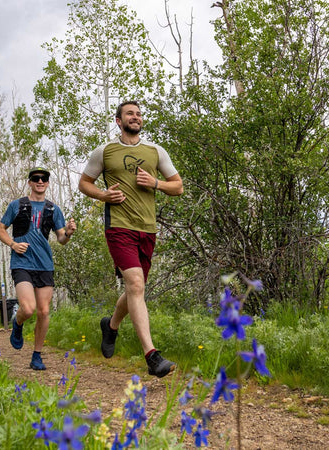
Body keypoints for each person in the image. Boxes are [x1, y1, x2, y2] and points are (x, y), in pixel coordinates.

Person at [78, 100, 183, 378]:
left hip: (147, 230)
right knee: (135, 283)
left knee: (135, 290)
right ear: (118, 120)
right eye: (129, 114)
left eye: (138, 114)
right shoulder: (105, 151)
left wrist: (157, 183)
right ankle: (152, 356)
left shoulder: (155, 151)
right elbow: (84, 183)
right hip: (119, 227)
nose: (135, 117)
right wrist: (103, 195)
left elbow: (178, 186)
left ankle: (110, 325)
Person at [0, 167, 77, 370]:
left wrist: (68, 232)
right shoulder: (17, 205)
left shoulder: (53, 209)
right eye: (36, 178)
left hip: (44, 265)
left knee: (44, 311)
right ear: (30, 182)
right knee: (29, 308)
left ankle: (37, 356)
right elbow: (0, 229)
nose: (40, 181)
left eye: (44, 179)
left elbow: (61, 239)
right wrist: (13, 245)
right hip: (21, 262)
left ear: (48, 183)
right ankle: (18, 323)